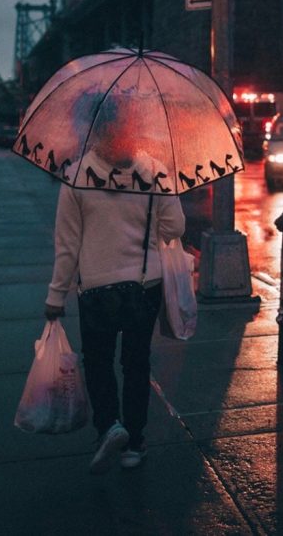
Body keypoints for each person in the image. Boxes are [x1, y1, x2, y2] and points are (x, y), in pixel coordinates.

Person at [44, 186, 185, 472]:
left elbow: (68, 244)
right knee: (136, 362)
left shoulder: (77, 175)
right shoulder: (154, 170)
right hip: (145, 284)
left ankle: (109, 424)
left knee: (98, 360)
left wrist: (56, 295)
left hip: (96, 286)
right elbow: (175, 226)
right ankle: (134, 444)